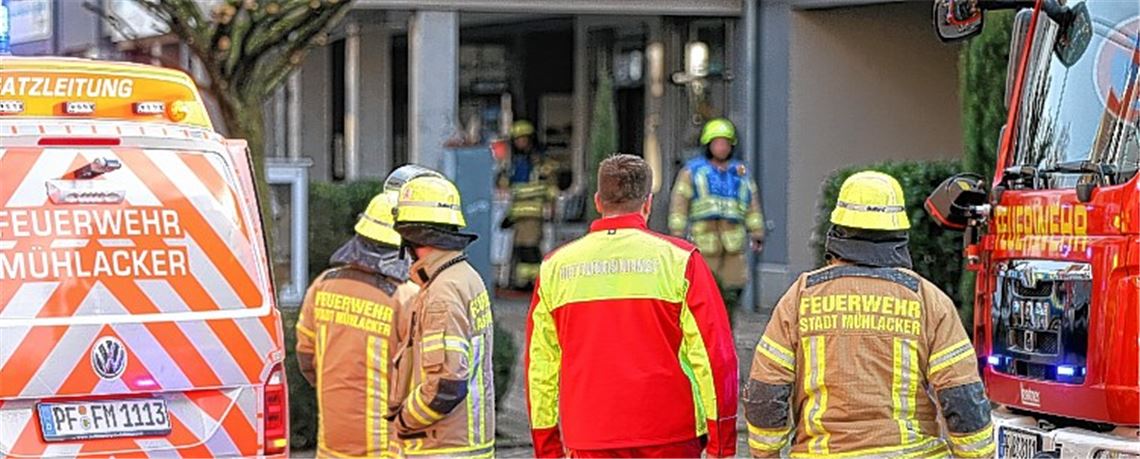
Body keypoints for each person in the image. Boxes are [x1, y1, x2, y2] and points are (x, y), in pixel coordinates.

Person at [743, 171, 994, 458]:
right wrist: (977, 455)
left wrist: (766, 453)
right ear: (900, 234)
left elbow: (766, 391)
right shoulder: (928, 300)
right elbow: (961, 397)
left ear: (836, 232)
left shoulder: (801, 297)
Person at [526, 154, 738, 458]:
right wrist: (722, 444)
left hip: (589, 436)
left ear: (598, 202)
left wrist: (547, 447)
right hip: (670, 435)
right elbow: (716, 357)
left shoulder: (554, 268)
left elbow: (541, 367)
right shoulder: (681, 261)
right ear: (648, 203)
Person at [295, 190, 419, 458]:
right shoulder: (406, 297)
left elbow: (306, 356)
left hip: (331, 444)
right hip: (386, 447)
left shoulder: (323, 284)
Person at [389, 174, 496, 458]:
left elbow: (446, 386)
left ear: (413, 238)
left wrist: (403, 421)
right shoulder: (464, 277)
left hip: (441, 447)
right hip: (465, 443)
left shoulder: (442, 292)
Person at [668, 117, 765, 324]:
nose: (722, 147)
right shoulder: (692, 171)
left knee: (734, 287)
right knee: (704, 289)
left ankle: (727, 328)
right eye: (717, 143)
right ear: (708, 145)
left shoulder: (740, 172)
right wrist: (677, 235)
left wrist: (757, 232)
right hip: (704, 240)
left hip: (733, 242)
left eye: (726, 143)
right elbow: (679, 202)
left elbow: (752, 204)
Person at [499, 120, 559, 290]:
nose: (520, 142)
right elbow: (504, 186)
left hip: (534, 213)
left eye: (523, 139)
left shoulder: (541, 162)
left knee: (531, 248)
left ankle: (534, 282)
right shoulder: (513, 163)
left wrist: (552, 206)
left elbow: (551, 186)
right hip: (518, 214)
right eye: (517, 139)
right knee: (520, 249)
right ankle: (523, 281)